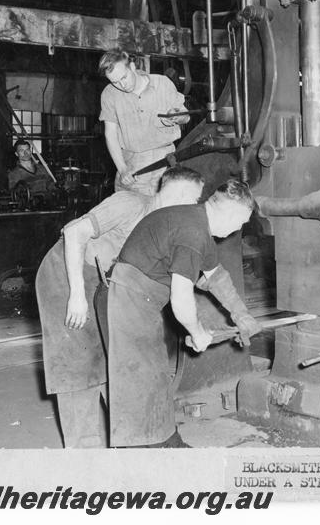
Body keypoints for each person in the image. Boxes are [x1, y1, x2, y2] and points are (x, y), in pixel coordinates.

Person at [35, 166, 205, 449]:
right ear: (181, 194)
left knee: (115, 355)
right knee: (78, 365)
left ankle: (133, 440)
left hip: (104, 283)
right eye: (194, 201)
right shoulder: (131, 203)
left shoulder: (162, 226)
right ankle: (84, 457)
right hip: (67, 275)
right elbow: (74, 232)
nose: (194, 209)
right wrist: (77, 295)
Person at [107, 179, 261, 448]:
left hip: (144, 296)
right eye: (241, 221)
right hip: (130, 296)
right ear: (230, 212)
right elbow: (181, 299)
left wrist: (241, 314)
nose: (239, 229)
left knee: (155, 374)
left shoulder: (198, 223)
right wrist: (198, 332)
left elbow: (217, 278)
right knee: (138, 379)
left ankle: (167, 439)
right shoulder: (193, 233)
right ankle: (145, 453)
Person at [98, 49, 191, 196]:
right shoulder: (109, 94)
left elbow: (186, 117)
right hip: (132, 164)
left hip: (165, 160)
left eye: (124, 77)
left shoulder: (162, 84)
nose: (122, 85)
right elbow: (110, 134)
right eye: (115, 82)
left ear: (133, 67)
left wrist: (177, 117)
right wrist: (122, 168)